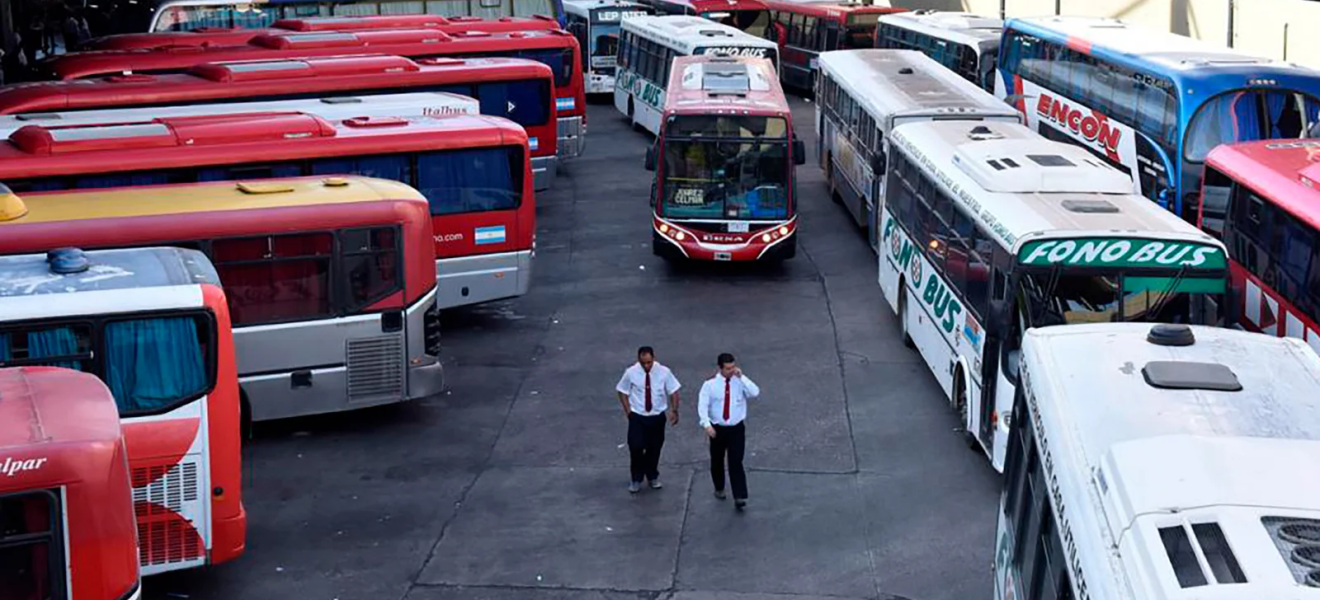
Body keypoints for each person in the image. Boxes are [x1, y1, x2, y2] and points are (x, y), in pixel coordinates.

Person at [697, 352, 759, 511]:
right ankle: (719, 486)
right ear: (720, 368)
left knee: (736, 461)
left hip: (736, 428)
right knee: (717, 460)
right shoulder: (710, 385)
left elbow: (755, 392)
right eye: (727, 368)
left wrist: (742, 377)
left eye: (733, 367)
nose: (731, 371)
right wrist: (707, 425)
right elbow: (702, 406)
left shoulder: (739, 382)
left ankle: (739, 495)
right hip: (717, 429)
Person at [615, 346, 681, 494]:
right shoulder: (631, 373)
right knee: (636, 446)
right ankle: (636, 478)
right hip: (638, 416)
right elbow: (622, 391)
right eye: (643, 363)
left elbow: (674, 391)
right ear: (639, 360)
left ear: (654, 359)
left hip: (656, 416)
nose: (646, 366)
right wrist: (629, 412)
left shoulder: (664, 372)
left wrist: (674, 410)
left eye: (649, 362)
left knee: (654, 448)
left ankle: (652, 475)